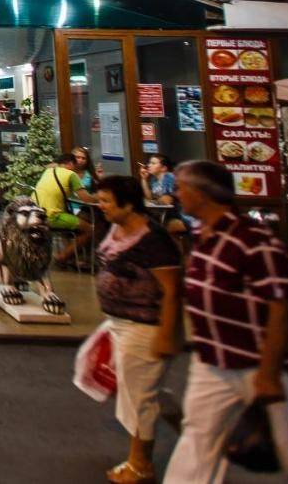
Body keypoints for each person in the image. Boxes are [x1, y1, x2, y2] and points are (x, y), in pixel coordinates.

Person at [164, 160, 288, 483]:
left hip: (257, 361)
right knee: (198, 438)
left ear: (202, 193)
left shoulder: (254, 240)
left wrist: (269, 373)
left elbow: (280, 307)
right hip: (212, 361)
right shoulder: (203, 236)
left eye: (181, 187)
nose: (177, 194)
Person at [92, 175, 183, 484]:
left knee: (139, 397)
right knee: (136, 388)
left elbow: (173, 289)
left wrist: (168, 333)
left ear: (129, 204)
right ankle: (191, 429)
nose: (100, 205)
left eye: (106, 200)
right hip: (119, 323)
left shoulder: (154, 239)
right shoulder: (115, 228)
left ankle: (140, 465)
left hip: (145, 326)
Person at [32, 152, 97, 267]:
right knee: (90, 229)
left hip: (35, 213)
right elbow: (86, 199)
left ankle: (70, 258)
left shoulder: (48, 171)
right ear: (71, 163)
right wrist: (101, 197)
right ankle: (62, 257)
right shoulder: (71, 174)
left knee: (72, 223)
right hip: (52, 216)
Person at [138, 153, 189, 236]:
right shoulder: (154, 180)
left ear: (163, 168)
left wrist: (155, 200)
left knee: (156, 229)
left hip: (182, 216)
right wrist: (144, 179)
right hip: (168, 215)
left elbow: (167, 201)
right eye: (149, 163)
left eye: (153, 163)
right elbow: (150, 197)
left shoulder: (169, 177)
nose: (149, 165)